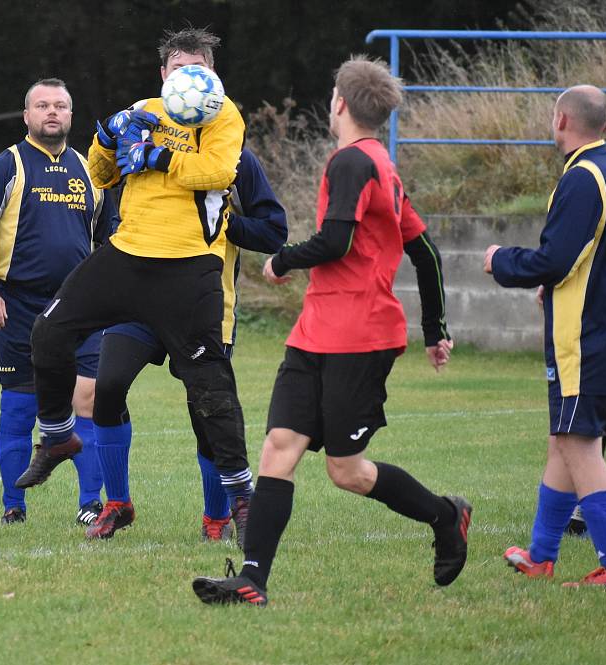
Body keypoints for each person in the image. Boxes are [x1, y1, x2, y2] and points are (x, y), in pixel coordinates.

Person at [192, 56, 469, 607]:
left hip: (360, 337)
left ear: (338, 103)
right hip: (314, 332)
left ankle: (445, 515)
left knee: (346, 472)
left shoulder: (354, 164)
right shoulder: (379, 164)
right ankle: (252, 579)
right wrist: (436, 328)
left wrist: (283, 259)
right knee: (278, 447)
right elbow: (426, 252)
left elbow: (338, 241)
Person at [13, 27, 254, 541]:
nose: (189, 79)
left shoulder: (224, 114)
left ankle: (239, 496)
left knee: (210, 391)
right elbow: (101, 174)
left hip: (189, 267)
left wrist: (160, 157)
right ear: (164, 74)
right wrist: (107, 135)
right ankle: (57, 438)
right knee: (49, 333)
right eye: (180, 69)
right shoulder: (145, 107)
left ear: (212, 76)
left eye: (200, 70)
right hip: (127, 256)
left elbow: (216, 171)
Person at [486, 85, 606, 589]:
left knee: (580, 444)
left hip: (590, 337)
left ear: (561, 120)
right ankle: (541, 554)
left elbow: (555, 258)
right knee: (566, 440)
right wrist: (553, 288)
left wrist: (501, 261)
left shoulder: (584, 177)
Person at [90, 146, 287, 544]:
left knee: (207, 412)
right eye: (170, 76)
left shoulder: (235, 158)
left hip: (203, 307)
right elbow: (112, 211)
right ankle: (117, 504)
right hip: (137, 303)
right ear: (163, 80)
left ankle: (216, 518)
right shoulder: (141, 147)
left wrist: (219, 221)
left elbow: (273, 232)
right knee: (108, 387)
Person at [0, 78, 116, 526]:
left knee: (86, 400)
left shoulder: (92, 171)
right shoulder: (3, 167)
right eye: (43, 105)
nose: (53, 112)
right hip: (16, 307)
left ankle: (90, 503)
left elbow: (109, 237)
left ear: (71, 115)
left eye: (61, 106)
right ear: (26, 115)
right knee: (20, 409)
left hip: (79, 307)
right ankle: (15, 507)